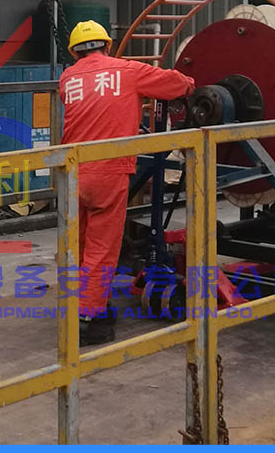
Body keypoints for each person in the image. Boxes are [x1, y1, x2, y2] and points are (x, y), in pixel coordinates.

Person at [58, 20, 196, 345]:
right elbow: (176, 84)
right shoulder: (128, 70)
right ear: (107, 46)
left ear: (75, 52)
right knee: (101, 250)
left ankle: (76, 306)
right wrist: (190, 84)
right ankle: (89, 319)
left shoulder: (67, 79)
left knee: (77, 245)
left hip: (72, 173)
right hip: (109, 172)